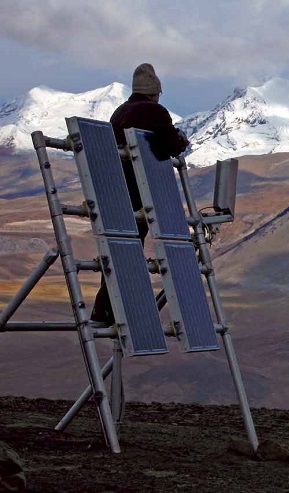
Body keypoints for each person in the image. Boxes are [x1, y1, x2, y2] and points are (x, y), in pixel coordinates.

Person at [90, 63, 189, 325]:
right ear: (155, 92)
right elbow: (170, 145)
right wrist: (181, 140)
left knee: (119, 247)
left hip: (111, 190)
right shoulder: (155, 112)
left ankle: (104, 311)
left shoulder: (119, 113)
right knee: (131, 246)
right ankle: (112, 311)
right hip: (138, 191)